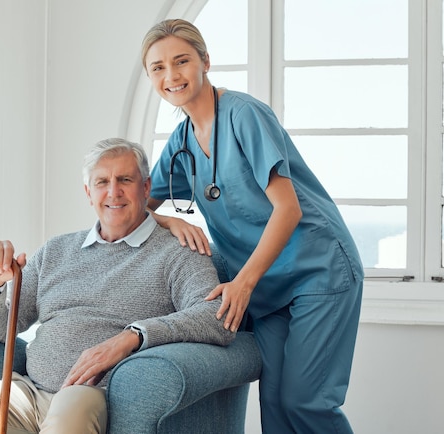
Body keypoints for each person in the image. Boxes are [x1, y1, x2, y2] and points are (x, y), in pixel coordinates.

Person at [0, 138, 235, 433]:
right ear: (88, 192)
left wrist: (133, 336)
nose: (113, 192)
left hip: (96, 400)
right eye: (102, 182)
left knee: (73, 402)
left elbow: (216, 318)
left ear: (146, 187)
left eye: (125, 180)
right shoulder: (56, 250)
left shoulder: (177, 251)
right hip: (31, 395)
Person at [140, 19, 364, 434]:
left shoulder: (244, 115)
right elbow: (138, 205)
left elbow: (288, 209)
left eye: (182, 61)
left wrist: (242, 283)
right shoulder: (182, 140)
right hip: (267, 286)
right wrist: (168, 219)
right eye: (157, 67)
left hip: (318, 269)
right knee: (276, 410)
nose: (170, 75)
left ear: (205, 62)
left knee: (306, 402)